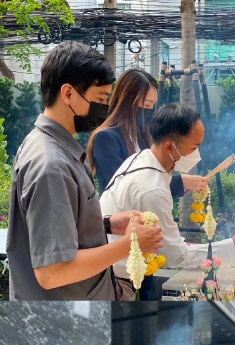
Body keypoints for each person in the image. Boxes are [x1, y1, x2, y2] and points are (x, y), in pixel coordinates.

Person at [6, 42, 164, 300]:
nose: (104, 109)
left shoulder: (50, 146)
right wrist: (129, 245)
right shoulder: (51, 166)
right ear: (68, 94)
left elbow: (56, 227)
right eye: (101, 99)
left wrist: (107, 224)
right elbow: (52, 272)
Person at [99, 103, 235, 297]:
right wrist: (234, 244)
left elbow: (172, 245)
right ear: (170, 146)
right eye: (194, 148)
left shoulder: (141, 158)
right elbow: (176, 256)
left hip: (112, 271)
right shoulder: (152, 190)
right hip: (120, 283)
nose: (197, 155)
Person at [87, 68, 208, 197]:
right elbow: (124, 186)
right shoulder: (105, 138)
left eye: (153, 105)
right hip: (120, 215)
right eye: (147, 104)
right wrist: (179, 182)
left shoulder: (142, 134)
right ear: (127, 102)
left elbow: (154, 177)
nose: (150, 110)